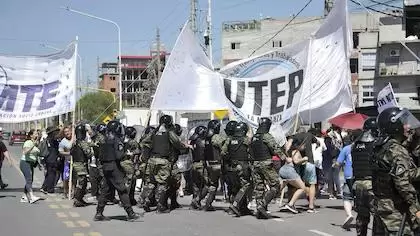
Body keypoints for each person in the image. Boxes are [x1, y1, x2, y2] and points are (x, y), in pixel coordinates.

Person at [372, 107, 420, 235]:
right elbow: (402, 183)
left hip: (381, 208)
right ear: (394, 125)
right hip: (396, 212)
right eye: (403, 123)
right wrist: (415, 207)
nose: (407, 126)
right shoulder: (397, 150)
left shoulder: (379, 146)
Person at [95, 120, 141, 221]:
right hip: (113, 166)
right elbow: (119, 155)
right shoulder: (116, 140)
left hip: (105, 167)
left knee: (105, 191)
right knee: (122, 190)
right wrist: (127, 154)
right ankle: (130, 213)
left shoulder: (104, 140)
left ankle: (99, 213)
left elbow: (100, 155)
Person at [140, 115, 187, 213]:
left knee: (152, 183)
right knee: (163, 183)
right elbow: (177, 143)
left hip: (152, 160)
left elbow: (144, 142)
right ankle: (160, 206)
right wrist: (185, 146)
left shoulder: (154, 132)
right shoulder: (169, 132)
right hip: (163, 161)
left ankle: (146, 201)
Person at [250, 117, 285, 219]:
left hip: (255, 164)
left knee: (259, 187)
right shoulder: (266, 136)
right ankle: (262, 204)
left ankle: (260, 211)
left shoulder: (255, 137)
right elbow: (275, 148)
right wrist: (284, 157)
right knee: (276, 185)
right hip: (266, 163)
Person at [352, 118, 377, 236]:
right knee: (378, 215)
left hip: (358, 183)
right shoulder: (375, 144)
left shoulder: (355, 144)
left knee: (362, 216)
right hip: (372, 183)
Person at [222, 122, 253, 217]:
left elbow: (223, 152)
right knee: (246, 185)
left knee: (236, 187)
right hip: (242, 165)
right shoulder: (245, 140)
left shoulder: (229, 140)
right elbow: (251, 151)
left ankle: (243, 208)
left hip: (231, 166)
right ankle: (235, 204)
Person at [333, 130, 362, 229]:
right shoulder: (364, 149)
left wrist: (335, 165)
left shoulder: (346, 149)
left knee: (347, 197)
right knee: (361, 199)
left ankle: (349, 214)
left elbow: (338, 163)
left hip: (349, 177)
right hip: (361, 177)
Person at [203, 119, 226, 211]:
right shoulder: (216, 137)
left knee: (211, 184)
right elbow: (224, 147)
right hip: (217, 163)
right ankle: (208, 203)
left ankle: (200, 200)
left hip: (209, 163)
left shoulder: (206, 137)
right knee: (216, 184)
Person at [71, 124, 93, 207]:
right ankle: (77, 200)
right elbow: (88, 153)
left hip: (76, 163)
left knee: (82, 182)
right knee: (82, 182)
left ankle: (80, 199)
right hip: (81, 163)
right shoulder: (82, 143)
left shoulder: (75, 142)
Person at [189, 125, 208, 210]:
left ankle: (195, 201)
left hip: (194, 164)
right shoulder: (204, 141)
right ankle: (197, 200)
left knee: (196, 185)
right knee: (208, 184)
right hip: (202, 164)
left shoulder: (193, 140)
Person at [20, 129, 41, 203]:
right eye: (35, 134)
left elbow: (35, 155)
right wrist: (33, 145)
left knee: (30, 180)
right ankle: (32, 197)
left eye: (37, 134)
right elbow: (25, 152)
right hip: (25, 163)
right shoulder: (28, 142)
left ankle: (24, 197)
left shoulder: (35, 143)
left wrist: (38, 164)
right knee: (29, 179)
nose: (37, 135)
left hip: (31, 163)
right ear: (31, 135)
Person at [121, 126, 140, 206]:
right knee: (130, 182)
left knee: (129, 181)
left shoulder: (122, 140)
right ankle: (126, 200)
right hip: (129, 163)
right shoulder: (132, 142)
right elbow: (138, 151)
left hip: (122, 162)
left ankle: (130, 199)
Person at [40, 127, 60, 194]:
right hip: (52, 159)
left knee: (49, 173)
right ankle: (50, 188)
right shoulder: (52, 140)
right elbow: (56, 150)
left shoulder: (48, 139)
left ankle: (44, 187)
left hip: (48, 158)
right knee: (52, 174)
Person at [59, 126, 73, 199]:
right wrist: (69, 153)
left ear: (71, 131)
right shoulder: (63, 142)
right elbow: (61, 152)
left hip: (76, 161)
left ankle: (73, 192)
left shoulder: (75, 138)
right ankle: (65, 192)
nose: (67, 133)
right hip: (68, 162)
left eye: (68, 131)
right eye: (65, 132)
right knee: (66, 178)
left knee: (75, 178)